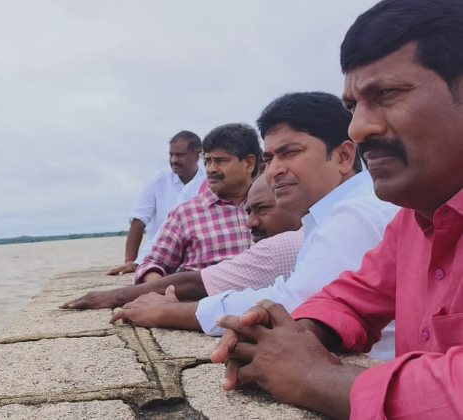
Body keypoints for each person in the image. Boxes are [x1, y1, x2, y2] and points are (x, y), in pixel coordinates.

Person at [211, 1, 463, 418]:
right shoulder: (413, 221)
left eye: (385, 94)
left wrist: (316, 378)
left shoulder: (366, 213)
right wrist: (293, 335)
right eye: (353, 107)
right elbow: (352, 299)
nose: (359, 127)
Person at [111, 92, 398, 361]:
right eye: (270, 158)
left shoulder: (354, 214)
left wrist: (168, 313)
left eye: (291, 152)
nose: (274, 171)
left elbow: (291, 305)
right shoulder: (334, 214)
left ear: (344, 157)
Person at [60, 174, 303, 311]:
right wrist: (155, 285)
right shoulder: (186, 210)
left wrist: (121, 299)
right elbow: (156, 259)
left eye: (262, 209)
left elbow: (200, 285)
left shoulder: (287, 244)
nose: (249, 223)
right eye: (208, 160)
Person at [132, 123, 260, 284]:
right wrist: (164, 295)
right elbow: (152, 265)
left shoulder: (273, 208)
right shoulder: (185, 214)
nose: (211, 169)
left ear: (249, 163)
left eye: (221, 161)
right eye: (207, 161)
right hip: (201, 305)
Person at [108, 131, 205, 276]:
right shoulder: (157, 180)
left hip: (195, 257)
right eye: (171, 155)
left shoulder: (208, 181)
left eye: (180, 155)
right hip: (161, 254)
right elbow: (139, 220)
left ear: (198, 154)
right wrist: (131, 261)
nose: (173, 160)